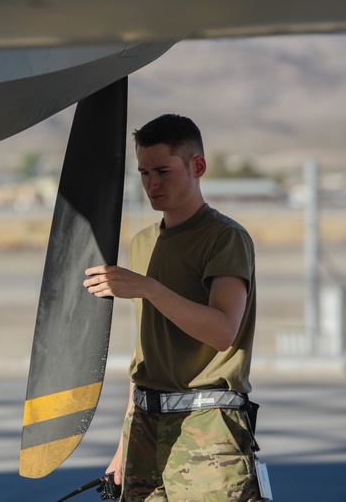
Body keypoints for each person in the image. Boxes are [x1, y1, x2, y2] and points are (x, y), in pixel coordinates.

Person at [83, 114, 262, 502]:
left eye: (163, 170)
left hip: (208, 429)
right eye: (144, 172)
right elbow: (144, 351)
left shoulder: (225, 237)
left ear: (197, 167)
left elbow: (222, 332)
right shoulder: (144, 242)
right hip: (145, 427)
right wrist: (122, 446)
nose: (152, 184)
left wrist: (147, 287)